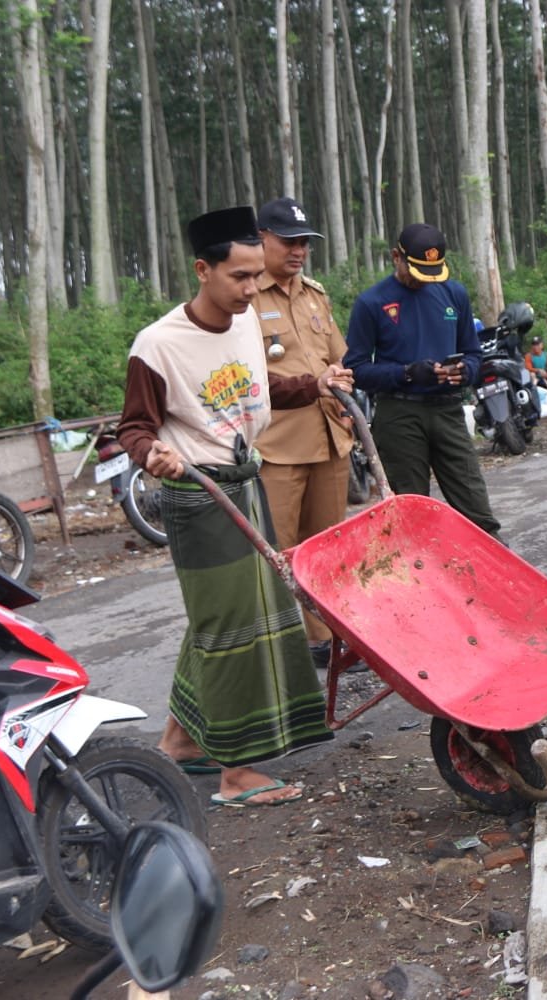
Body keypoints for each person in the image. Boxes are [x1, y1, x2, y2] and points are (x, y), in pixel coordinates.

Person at [118, 206, 352, 807]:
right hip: (199, 495)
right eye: (239, 276)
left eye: (255, 275)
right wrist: (152, 454)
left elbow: (257, 389)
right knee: (232, 629)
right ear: (203, 270)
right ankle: (237, 774)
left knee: (220, 621)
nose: (251, 288)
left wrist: (315, 385)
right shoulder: (158, 345)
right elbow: (133, 426)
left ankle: (180, 743)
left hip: (245, 483)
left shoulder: (245, 323)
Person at [250, 196, 356, 673]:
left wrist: (343, 386)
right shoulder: (246, 298)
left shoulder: (314, 294)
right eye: (288, 242)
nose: (298, 251)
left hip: (329, 435)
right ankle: (269, 650)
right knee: (275, 553)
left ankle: (325, 639)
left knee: (327, 549)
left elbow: (339, 357)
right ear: (262, 240)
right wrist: (316, 383)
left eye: (304, 243)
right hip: (278, 446)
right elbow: (245, 378)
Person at [342, 223, 500, 538]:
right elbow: (356, 369)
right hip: (399, 415)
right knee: (410, 514)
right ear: (396, 257)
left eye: (432, 272)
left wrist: (464, 371)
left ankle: (494, 561)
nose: (424, 279)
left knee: (477, 508)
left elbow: (473, 353)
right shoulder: (372, 302)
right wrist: (407, 372)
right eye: (417, 271)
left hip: (448, 411)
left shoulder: (454, 294)